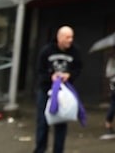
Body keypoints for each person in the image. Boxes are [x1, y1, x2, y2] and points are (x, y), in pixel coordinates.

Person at [33, 25, 83, 153]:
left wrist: (69, 75)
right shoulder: (46, 51)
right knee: (42, 122)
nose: (70, 40)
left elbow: (78, 68)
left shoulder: (75, 51)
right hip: (45, 91)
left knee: (61, 122)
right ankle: (40, 149)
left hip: (64, 92)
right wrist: (51, 77)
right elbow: (39, 70)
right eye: (67, 37)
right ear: (59, 37)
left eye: (72, 37)